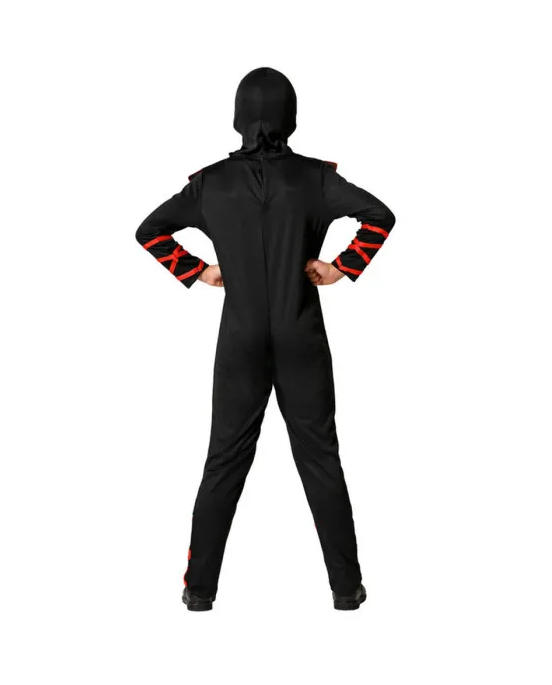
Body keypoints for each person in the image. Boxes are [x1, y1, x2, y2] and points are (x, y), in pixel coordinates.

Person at [135, 67, 395, 611]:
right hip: (301, 332)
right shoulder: (316, 179)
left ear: (237, 116)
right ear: (291, 116)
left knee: (224, 461)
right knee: (320, 458)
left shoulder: (210, 183)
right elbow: (379, 216)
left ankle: (199, 591)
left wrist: (198, 270)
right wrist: (343, 266)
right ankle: (346, 589)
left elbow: (149, 231)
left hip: (240, 338)